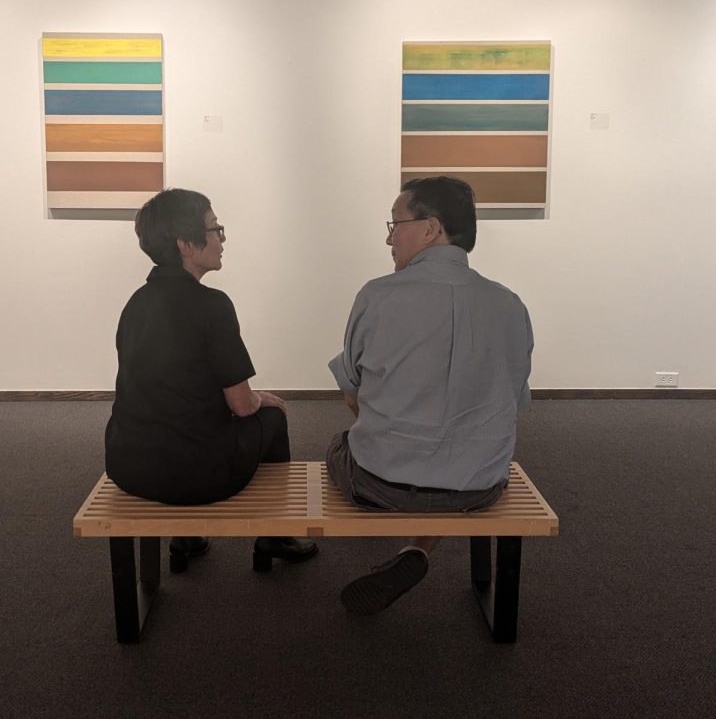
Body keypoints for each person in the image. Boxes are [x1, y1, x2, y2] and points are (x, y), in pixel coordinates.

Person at [326, 176, 533, 614]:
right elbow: (515, 403)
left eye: (395, 223)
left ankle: (415, 549)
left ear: (430, 228)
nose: (388, 237)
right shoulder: (510, 305)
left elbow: (353, 395)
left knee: (338, 445)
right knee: (457, 456)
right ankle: (418, 550)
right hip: (479, 485)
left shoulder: (376, 295)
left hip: (382, 482)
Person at [105, 188, 316, 569]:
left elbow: (164, 385)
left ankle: (186, 538)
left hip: (128, 465)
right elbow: (241, 403)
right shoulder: (212, 305)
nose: (221, 238)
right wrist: (264, 399)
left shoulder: (135, 304)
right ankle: (276, 536)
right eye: (215, 228)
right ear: (186, 243)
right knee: (274, 418)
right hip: (197, 476)